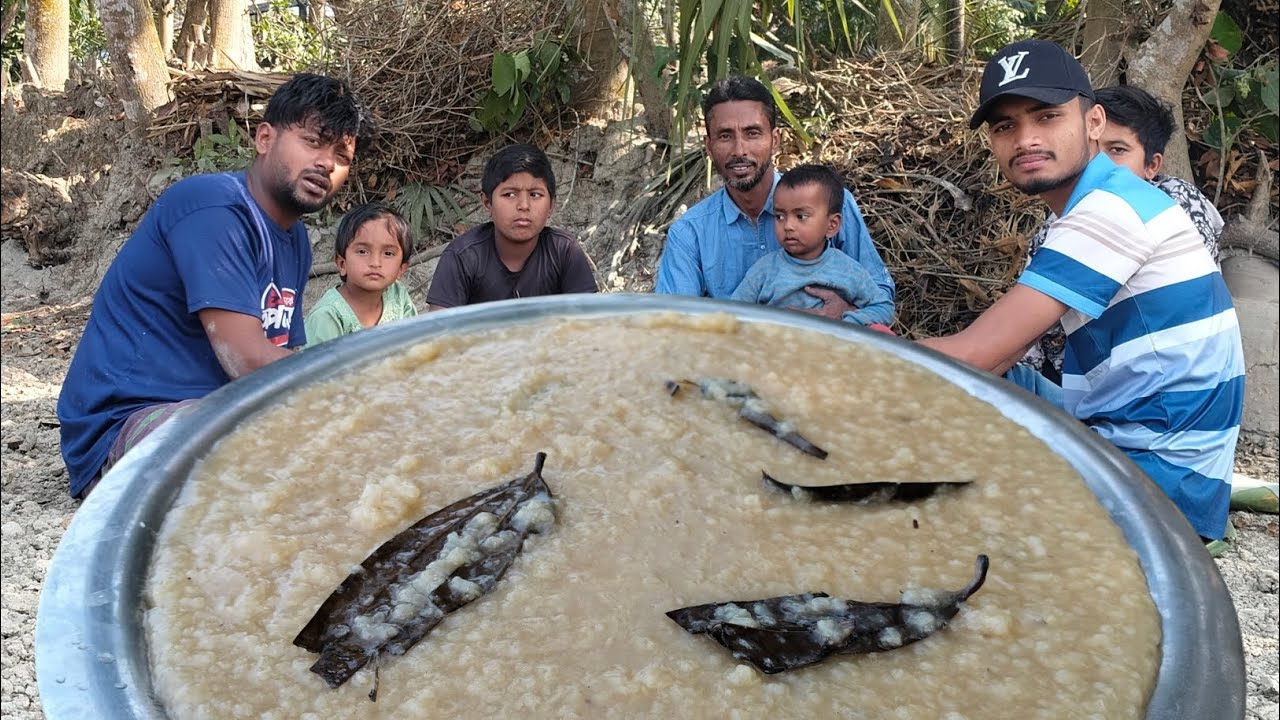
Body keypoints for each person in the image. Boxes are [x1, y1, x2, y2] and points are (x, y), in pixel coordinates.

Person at [919, 39, 1244, 541]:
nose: (1025, 138)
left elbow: (972, 356)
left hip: (1159, 481)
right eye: (1005, 125)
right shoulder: (1105, 203)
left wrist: (831, 362)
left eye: (1046, 117)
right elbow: (1000, 355)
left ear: (1093, 123)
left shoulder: (1110, 211)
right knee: (995, 390)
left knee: (922, 500)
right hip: (1140, 444)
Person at [57, 73, 374, 498]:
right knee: (258, 462)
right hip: (132, 419)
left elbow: (283, 356)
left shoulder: (295, 240)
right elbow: (247, 360)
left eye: (341, 154)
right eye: (312, 142)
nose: (326, 163)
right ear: (265, 138)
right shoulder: (212, 209)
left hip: (223, 412)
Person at [1019, 84, 1225, 379]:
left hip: (1150, 385)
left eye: (1117, 150)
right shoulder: (1051, 230)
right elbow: (1029, 337)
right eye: (1090, 146)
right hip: (1073, 380)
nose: (1097, 162)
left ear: (1151, 165)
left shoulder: (1177, 203)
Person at [654, 75, 895, 321]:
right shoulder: (690, 233)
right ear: (708, 146)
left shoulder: (831, 203)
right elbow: (673, 321)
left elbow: (880, 293)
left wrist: (846, 315)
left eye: (752, 133)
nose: (739, 150)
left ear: (775, 139)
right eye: (725, 136)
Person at [426, 143, 598, 309]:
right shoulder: (462, 257)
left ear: (551, 205)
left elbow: (589, 324)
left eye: (535, 194)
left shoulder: (564, 251)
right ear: (487, 203)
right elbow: (440, 332)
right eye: (509, 194)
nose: (524, 205)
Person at [731, 164, 894, 329]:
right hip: (775, 348)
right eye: (779, 216)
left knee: (881, 332)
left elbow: (884, 308)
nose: (788, 226)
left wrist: (847, 322)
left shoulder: (848, 270)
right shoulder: (765, 270)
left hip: (830, 350)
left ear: (832, 225)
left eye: (801, 216)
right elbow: (732, 311)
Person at [304, 203, 417, 347]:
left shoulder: (398, 296)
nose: (375, 263)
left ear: (401, 269)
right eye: (362, 251)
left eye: (388, 253)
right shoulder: (328, 317)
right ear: (342, 264)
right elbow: (320, 368)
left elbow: (414, 346)